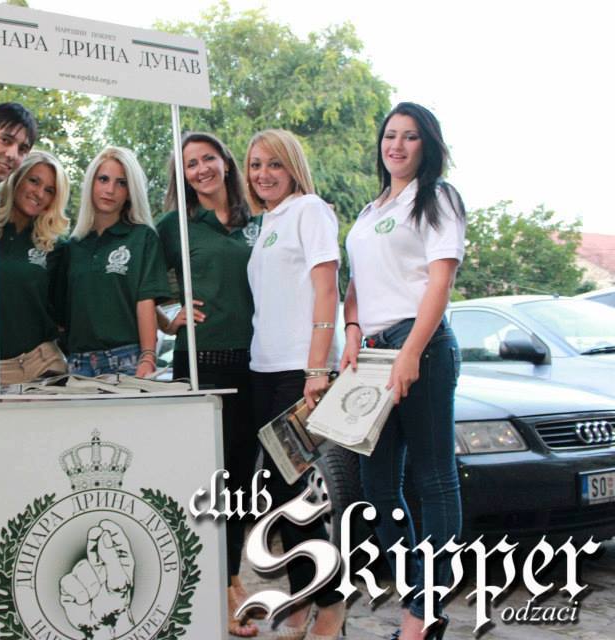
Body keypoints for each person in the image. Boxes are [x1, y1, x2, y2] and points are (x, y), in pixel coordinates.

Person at [340, 102, 465, 640]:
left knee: (434, 479)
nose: (397, 145)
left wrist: (411, 351)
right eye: (390, 135)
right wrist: (351, 331)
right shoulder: (371, 211)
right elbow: (356, 283)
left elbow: (440, 280)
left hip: (421, 346)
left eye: (410, 136)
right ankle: (422, 594)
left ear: (427, 145)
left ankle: (421, 614)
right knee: (377, 487)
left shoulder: (437, 198)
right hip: (371, 354)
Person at [156, 132, 262, 637]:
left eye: (207, 159)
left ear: (225, 163)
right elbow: (146, 287)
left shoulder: (256, 221)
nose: (200, 169)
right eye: (190, 164)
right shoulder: (174, 225)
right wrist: (171, 314)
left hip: (254, 363)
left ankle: (232, 579)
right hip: (199, 364)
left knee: (239, 481)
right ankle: (207, 586)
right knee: (204, 479)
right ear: (182, 175)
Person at [245, 129, 344, 640]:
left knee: (295, 495)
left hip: (298, 371)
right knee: (278, 496)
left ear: (293, 168)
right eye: (255, 165)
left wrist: (316, 368)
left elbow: (327, 289)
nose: (263, 174)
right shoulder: (266, 222)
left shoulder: (310, 211)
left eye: (274, 164)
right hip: (263, 368)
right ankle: (305, 596)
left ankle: (330, 604)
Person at [0, 150, 70, 390]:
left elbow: (64, 315)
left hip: (43, 366)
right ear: (17, 178)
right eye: (34, 181)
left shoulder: (55, 247)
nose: (39, 193)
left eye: (50, 190)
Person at [60, 146, 169, 377]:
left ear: (130, 192)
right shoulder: (72, 246)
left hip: (127, 360)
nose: (110, 190)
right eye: (103, 179)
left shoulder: (142, 238)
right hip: (77, 364)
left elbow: (145, 301)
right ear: (91, 183)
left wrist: (148, 357)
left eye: (121, 183)